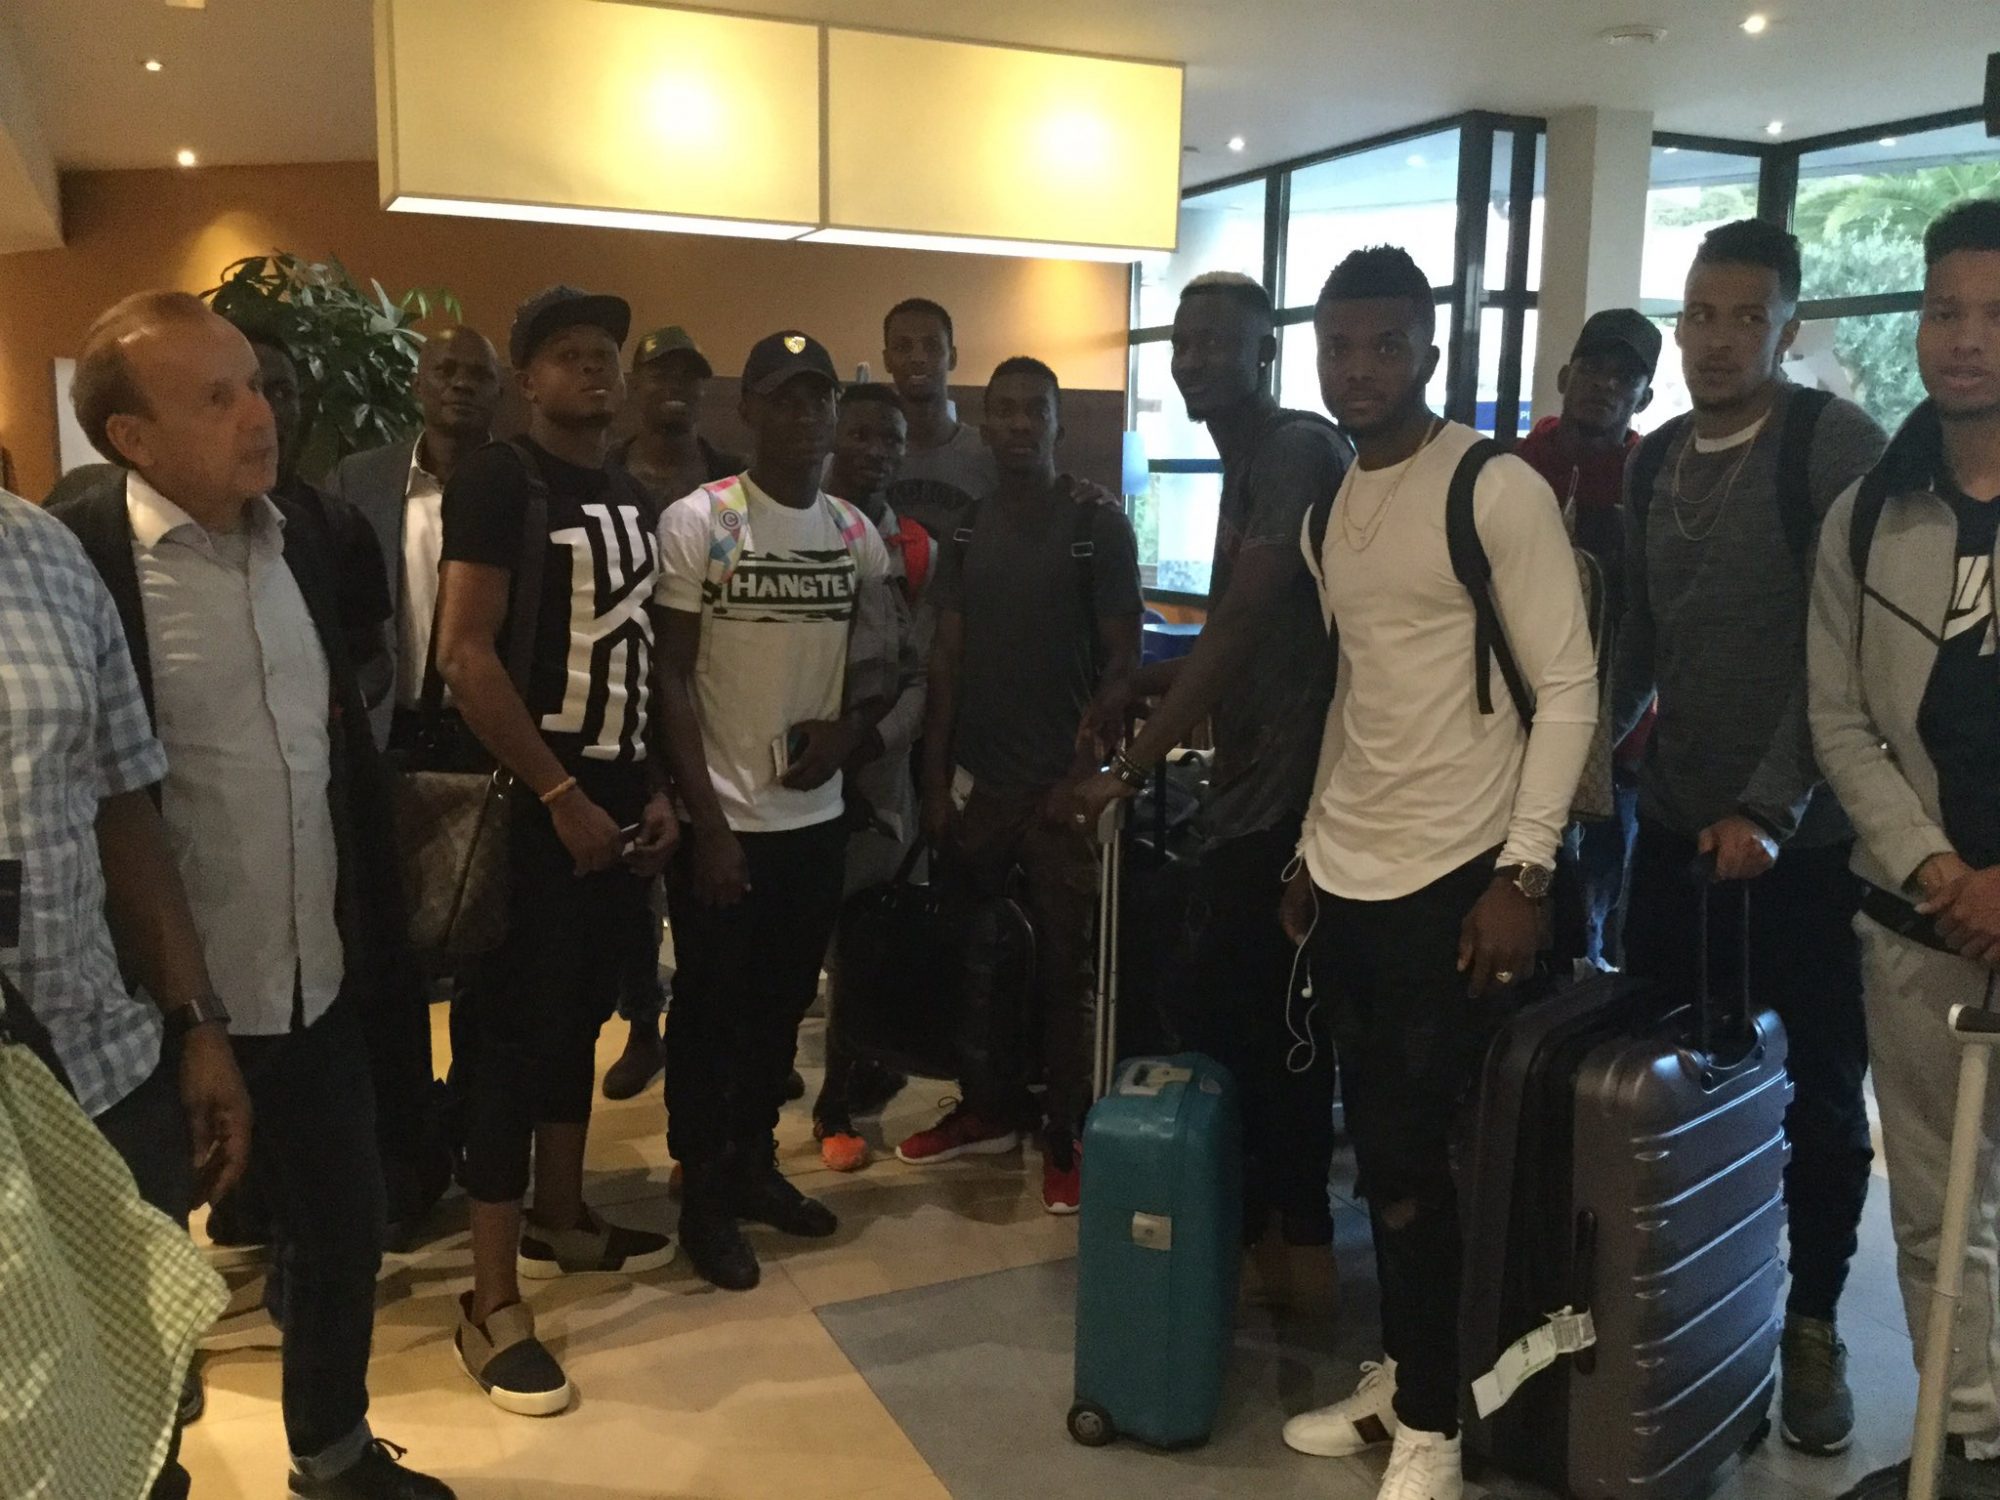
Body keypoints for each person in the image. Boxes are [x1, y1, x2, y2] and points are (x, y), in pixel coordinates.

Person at [51, 290, 453, 1499]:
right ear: (131, 437)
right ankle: (149, 1474)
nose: (259, 414)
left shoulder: (306, 538)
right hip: (155, 1007)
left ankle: (333, 1451)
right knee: (143, 1260)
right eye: (215, 397)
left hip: (312, 975)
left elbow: (333, 751)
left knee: (342, 1226)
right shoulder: (82, 558)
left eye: (257, 386)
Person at [1278, 247, 1597, 1500]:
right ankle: (1411, 1371)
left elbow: (1566, 688)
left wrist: (1523, 872)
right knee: (1380, 1150)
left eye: (1384, 345)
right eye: (1337, 346)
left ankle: (1432, 1430)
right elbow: (1350, 693)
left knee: (1417, 1159)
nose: (1358, 368)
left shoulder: (1492, 485)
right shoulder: (1328, 511)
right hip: (1350, 868)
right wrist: (1309, 845)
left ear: (1428, 350)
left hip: (1457, 873)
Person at [1613, 219, 1888, 1458]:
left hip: (1804, 849)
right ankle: (1672, 1316)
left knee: (1816, 1100)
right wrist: (1583, 769)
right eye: (1697, 316)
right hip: (1672, 831)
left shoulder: (1831, 444)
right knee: (1658, 1086)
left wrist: (1770, 807)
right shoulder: (1653, 459)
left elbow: (1842, 654)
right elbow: (1638, 636)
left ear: (1785, 328)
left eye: (1744, 318)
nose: (1716, 340)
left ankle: (1811, 1322)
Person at [432, 287, 678, 1417]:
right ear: (526, 379)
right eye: (569, 355)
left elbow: (640, 658)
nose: (595, 369)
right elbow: (465, 655)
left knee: (577, 1018)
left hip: (616, 809)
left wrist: (655, 790)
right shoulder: (500, 481)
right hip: (536, 809)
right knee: (506, 1046)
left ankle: (563, 1214)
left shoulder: (630, 496)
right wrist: (560, 792)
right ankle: (489, 1304)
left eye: (606, 354)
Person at [1063, 270, 1347, 1245]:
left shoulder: (1295, 449)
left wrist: (1129, 767)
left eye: (1218, 342)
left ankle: (1292, 1229)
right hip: (1249, 788)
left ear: (1265, 351)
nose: (1194, 360)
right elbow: (1240, 642)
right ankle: (1250, 1217)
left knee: (1270, 1023)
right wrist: (1139, 684)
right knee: (1232, 1013)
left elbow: (1243, 626)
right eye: (1183, 343)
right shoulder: (1249, 459)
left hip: (1296, 800)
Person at [1, 481, 253, 1500]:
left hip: (97, 1073)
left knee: (140, 1433)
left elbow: (123, 808)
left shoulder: (48, 555)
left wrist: (197, 1023)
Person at [1808, 197, 2000, 1490]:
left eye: (1993, 314)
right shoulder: (1869, 513)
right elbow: (1840, 718)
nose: (1965, 338)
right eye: (1943, 311)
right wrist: (1940, 872)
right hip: (1914, 920)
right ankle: (1966, 1440)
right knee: (1933, 1207)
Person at [654, 330, 892, 1290]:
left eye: (819, 398)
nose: (806, 416)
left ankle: (753, 1167)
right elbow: (670, 680)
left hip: (814, 823)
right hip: (724, 828)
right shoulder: (701, 521)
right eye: (785, 398)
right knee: (710, 1017)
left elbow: (881, 668)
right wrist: (707, 826)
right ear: (746, 408)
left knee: (780, 1010)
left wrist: (848, 735)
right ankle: (703, 1197)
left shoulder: (854, 533)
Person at [897, 356, 1143, 1216]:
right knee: (980, 958)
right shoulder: (968, 529)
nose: (1015, 425)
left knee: (1066, 972)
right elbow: (947, 658)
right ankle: (988, 1109)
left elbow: (1123, 661)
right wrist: (936, 781)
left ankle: (1066, 1132)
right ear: (985, 421)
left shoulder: (1096, 526)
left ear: (1056, 422)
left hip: (1059, 796)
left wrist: (1086, 775)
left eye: (1032, 410)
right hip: (980, 790)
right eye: (1001, 411)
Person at [600, 324, 746, 1103]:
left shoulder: (734, 480)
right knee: (636, 880)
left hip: (709, 691)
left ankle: (723, 1030)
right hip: (624, 694)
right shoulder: (606, 473)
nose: (675, 388)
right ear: (636, 383)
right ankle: (643, 1026)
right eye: (660, 374)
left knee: (716, 879)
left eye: (689, 375)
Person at [1514, 309, 1661, 971]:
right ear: (1564, 375)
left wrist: (1612, 727)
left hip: (1617, 742)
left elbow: (1652, 618)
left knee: (1595, 911)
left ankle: (1580, 1004)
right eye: (1593, 368)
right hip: (1513, 728)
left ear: (1643, 397)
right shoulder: (1514, 468)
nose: (1605, 384)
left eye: (1624, 377)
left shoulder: (1650, 479)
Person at [811, 382, 933, 1172]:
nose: (876, 451)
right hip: (793, 779)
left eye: (890, 438)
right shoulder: (793, 525)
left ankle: (839, 1098)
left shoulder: (915, 548)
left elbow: (921, 675)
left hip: (880, 785)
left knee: (863, 946)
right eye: (860, 434)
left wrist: (872, 744)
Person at [327, 323, 505, 750]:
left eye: (479, 375)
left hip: (498, 732)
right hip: (387, 728)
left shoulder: (525, 486)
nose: (461, 384)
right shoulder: (358, 481)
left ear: (500, 392)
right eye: (446, 370)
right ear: (416, 385)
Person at [881, 297, 998, 542]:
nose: (918, 358)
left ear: (952, 357)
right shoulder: (869, 455)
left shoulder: (988, 454)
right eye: (903, 347)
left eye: (932, 346)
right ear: (887, 360)